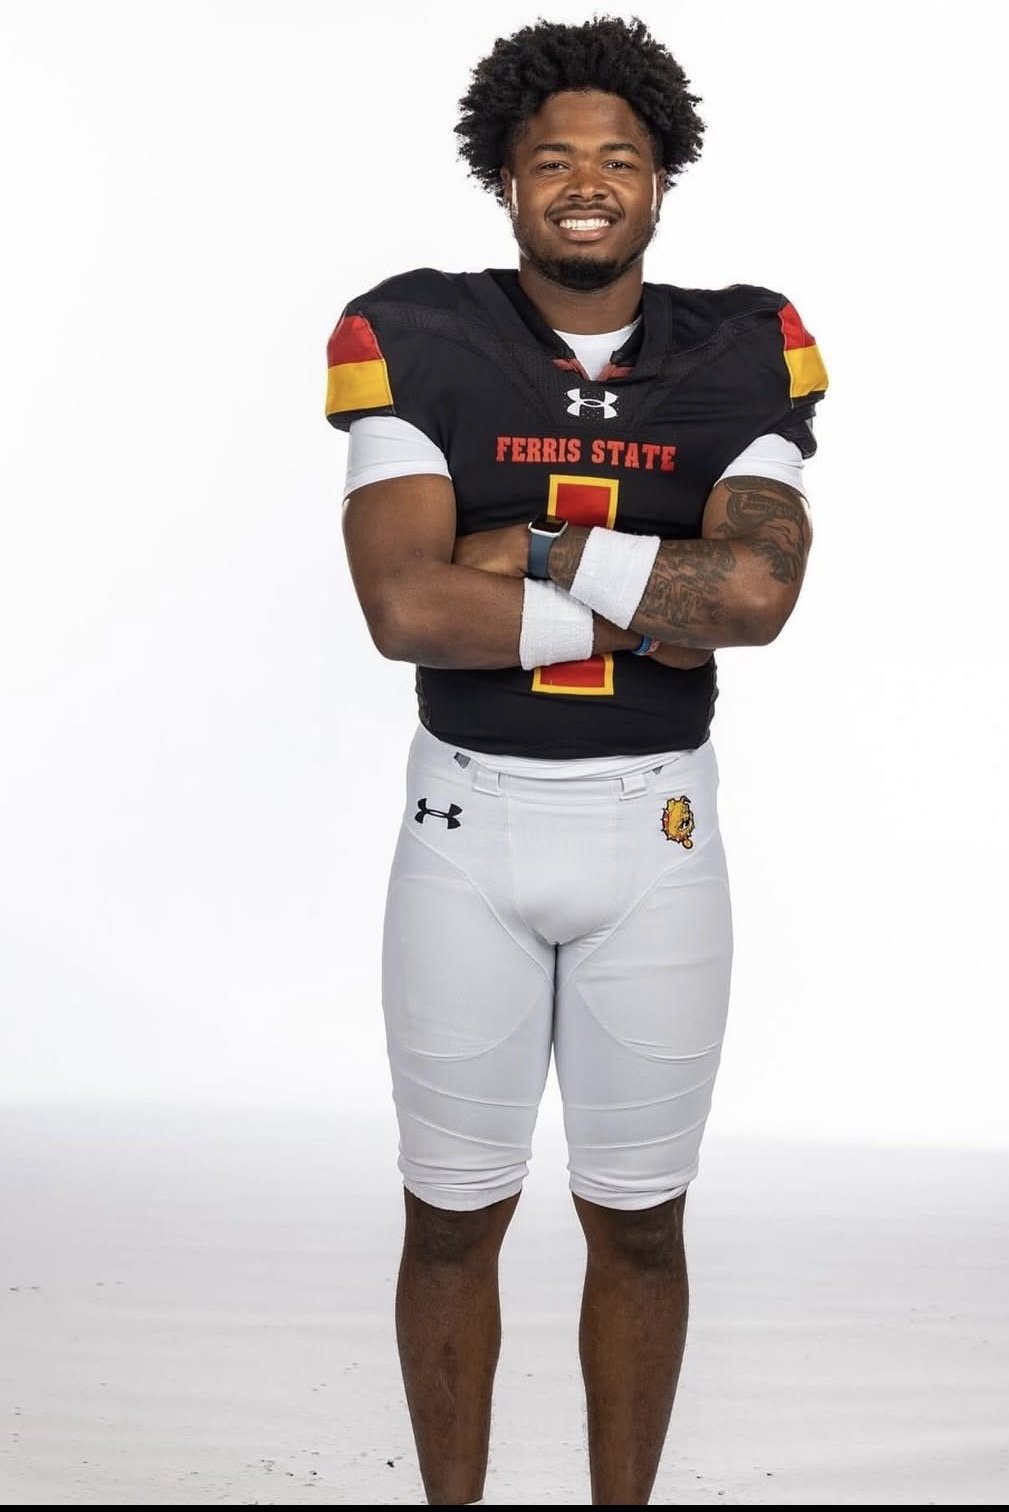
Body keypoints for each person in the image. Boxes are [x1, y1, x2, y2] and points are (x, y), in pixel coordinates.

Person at [324, 15, 827, 1505]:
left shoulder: (743, 344)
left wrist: (534, 545)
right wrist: (649, 596)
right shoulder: (412, 331)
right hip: (465, 830)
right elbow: (406, 608)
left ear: (663, 179)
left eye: (619, 157)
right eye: (554, 160)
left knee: (644, 1224)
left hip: (653, 833)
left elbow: (754, 599)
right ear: (507, 178)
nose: (587, 183)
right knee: (447, 1221)